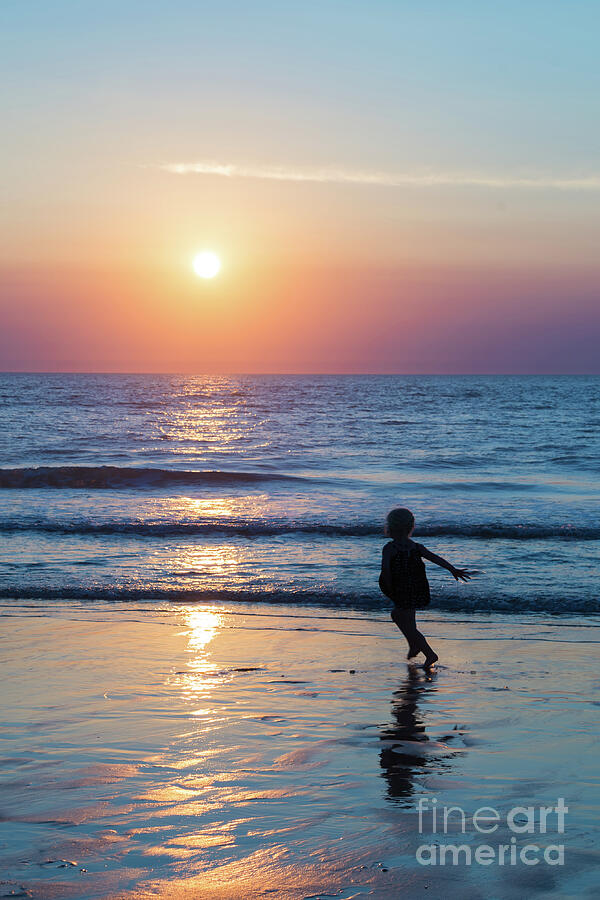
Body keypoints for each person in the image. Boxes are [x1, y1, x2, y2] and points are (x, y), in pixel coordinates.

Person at [379, 507, 473, 668]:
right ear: (411, 527)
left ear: (390, 528)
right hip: (417, 588)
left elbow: (386, 571)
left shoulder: (390, 548)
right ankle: (414, 645)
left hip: (401, 590)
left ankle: (429, 653)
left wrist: (388, 589)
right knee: (409, 622)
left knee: (398, 616)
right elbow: (436, 558)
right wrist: (453, 569)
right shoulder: (416, 547)